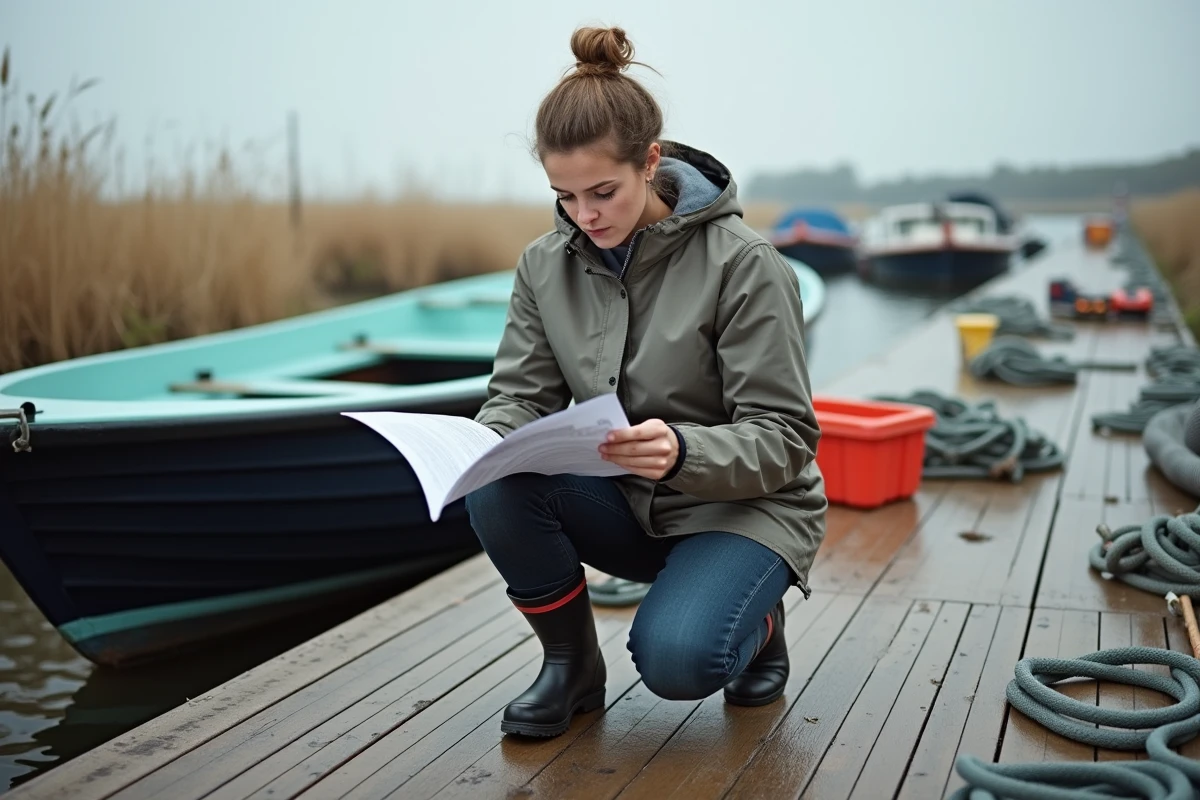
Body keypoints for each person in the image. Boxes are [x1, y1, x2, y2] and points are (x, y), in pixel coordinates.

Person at [465, 25, 827, 738]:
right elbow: (520, 397)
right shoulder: (544, 265)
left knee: (678, 665)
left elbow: (787, 440)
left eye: (602, 191)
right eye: (563, 196)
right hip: (629, 504)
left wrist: (683, 451)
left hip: (744, 508)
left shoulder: (745, 264)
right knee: (493, 480)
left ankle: (758, 621)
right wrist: (486, 440)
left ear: (651, 162)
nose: (584, 215)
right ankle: (571, 669)